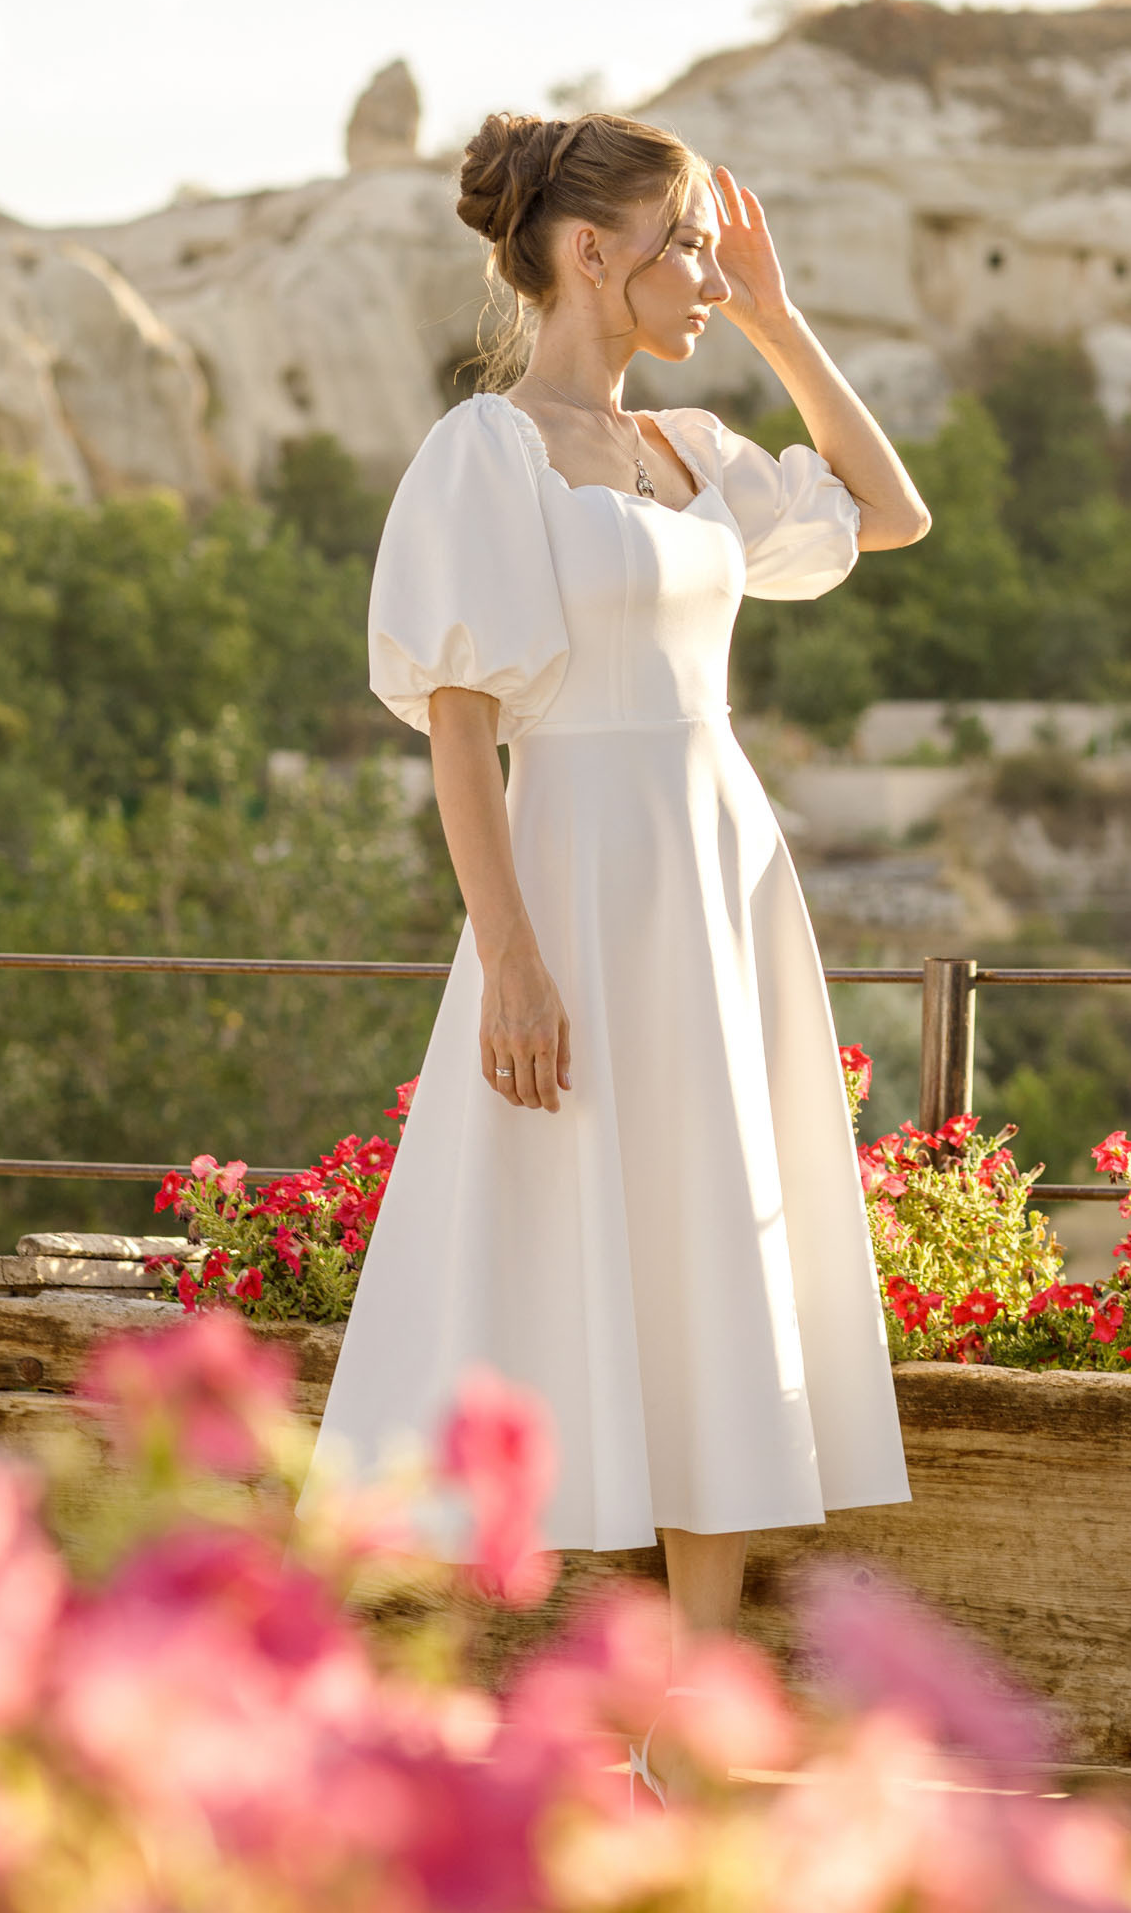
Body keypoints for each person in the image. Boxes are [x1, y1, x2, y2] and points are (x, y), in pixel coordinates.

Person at [311, 109, 932, 1646]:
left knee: (709, 1244)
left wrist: (781, 322)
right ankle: (428, 1684)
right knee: (524, 1248)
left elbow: (891, 513)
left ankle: (687, 1715)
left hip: (717, 885)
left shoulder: (693, 451)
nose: (711, 277)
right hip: (573, 885)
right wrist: (510, 960)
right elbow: (461, 736)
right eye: (688, 246)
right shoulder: (485, 456)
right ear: (593, 255)